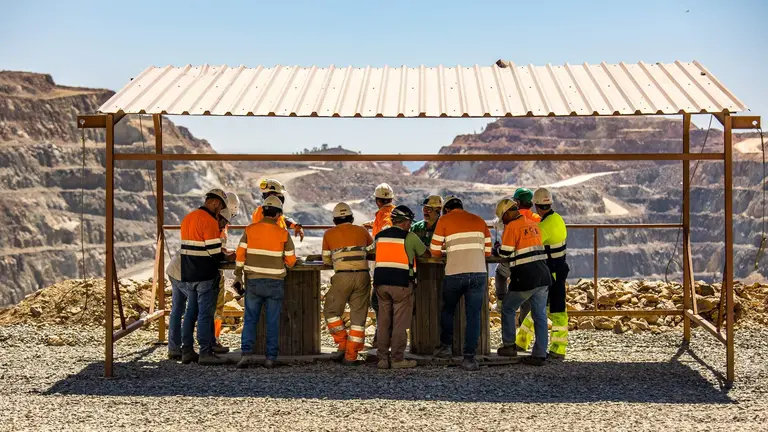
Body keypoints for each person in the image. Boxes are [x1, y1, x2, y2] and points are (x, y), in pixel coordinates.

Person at [430, 196, 492, 371]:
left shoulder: (444, 220)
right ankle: (469, 358)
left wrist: (448, 249)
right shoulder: (479, 221)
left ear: (447, 210)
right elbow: (487, 252)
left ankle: (446, 347)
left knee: (448, 310)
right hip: (479, 273)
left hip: (455, 273)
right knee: (473, 316)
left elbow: (434, 251)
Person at [235, 196, 297, 369]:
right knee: (272, 321)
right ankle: (270, 358)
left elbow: (240, 256)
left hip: (253, 281)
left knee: (250, 319)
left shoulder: (249, 230)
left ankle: (246, 354)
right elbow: (291, 260)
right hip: (274, 283)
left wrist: (238, 273)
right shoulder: (283, 233)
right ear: (278, 215)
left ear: (262, 212)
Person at [167, 207, 233, 360]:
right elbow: (213, 253)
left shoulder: (199, 222)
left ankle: (182, 349)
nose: (223, 227)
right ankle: (204, 349)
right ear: (218, 216)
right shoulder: (208, 224)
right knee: (201, 311)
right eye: (223, 222)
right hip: (185, 273)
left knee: (186, 310)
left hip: (183, 272)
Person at [494, 198, 552, 366]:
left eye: (502, 218)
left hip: (526, 277)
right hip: (543, 275)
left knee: (508, 307)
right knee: (539, 315)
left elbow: (505, 253)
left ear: (507, 213)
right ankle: (540, 354)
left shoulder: (512, 227)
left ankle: (509, 346)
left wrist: (497, 247)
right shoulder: (533, 223)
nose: (503, 222)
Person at [516, 188, 570, 360]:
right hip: (559, 269)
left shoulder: (544, 226)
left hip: (552, 273)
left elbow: (529, 244)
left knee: (556, 311)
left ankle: (558, 349)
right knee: (542, 309)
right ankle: (522, 341)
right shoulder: (557, 219)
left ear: (536, 206)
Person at [373, 205, 430, 369]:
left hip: (381, 284)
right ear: (405, 222)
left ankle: (382, 359)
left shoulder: (380, 236)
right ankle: (398, 359)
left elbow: (372, 250)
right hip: (401, 284)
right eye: (410, 221)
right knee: (399, 324)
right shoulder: (409, 237)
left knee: (383, 323)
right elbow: (426, 254)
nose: (410, 225)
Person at [321, 202, 374, 365]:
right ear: (351, 217)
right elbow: (371, 249)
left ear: (335, 220)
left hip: (342, 277)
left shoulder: (329, 234)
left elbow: (326, 259)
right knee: (359, 318)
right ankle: (351, 355)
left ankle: (342, 343)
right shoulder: (362, 231)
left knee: (330, 311)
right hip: (363, 276)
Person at [495, 187, 540, 320]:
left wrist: (497, 248)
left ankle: (501, 301)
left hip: (518, 264)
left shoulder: (511, 220)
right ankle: (523, 325)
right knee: (527, 300)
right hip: (537, 264)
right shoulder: (536, 219)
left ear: (517, 203)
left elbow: (505, 252)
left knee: (500, 272)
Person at [363, 182, 396, 345]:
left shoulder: (383, 216)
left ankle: (382, 337)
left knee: (378, 301)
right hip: (397, 264)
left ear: (378, 201)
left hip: (384, 263)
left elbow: (385, 230)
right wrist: (372, 224)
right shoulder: (393, 212)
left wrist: (369, 248)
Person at [211, 191, 240, 354]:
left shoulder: (213, 220)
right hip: (212, 269)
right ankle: (212, 340)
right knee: (216, 306)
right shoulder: (217, 222)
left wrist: (223, 251)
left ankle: (211, 339)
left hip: (207, 267)